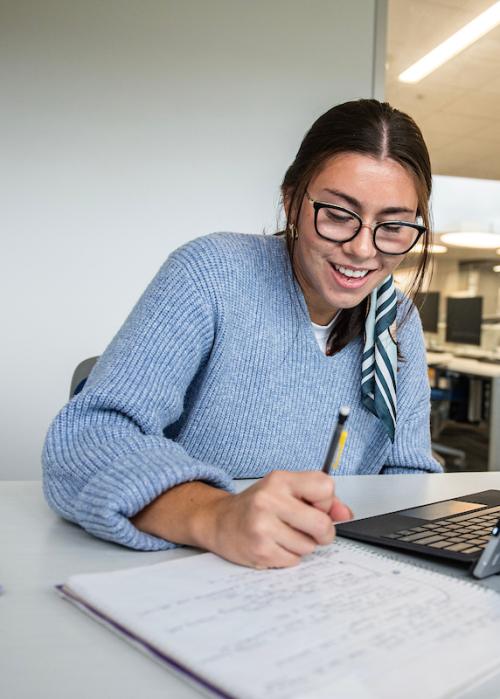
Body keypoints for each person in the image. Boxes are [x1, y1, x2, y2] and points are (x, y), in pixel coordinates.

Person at [42, 99, 442, 569]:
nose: (360, 250)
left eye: (392, 226)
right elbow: (86, 439)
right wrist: (217, 515)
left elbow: (409, 476)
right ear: (292, 200)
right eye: (337, 214)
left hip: (326, 576)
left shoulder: (396, 321)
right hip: (191, 569)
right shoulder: (211, 274)